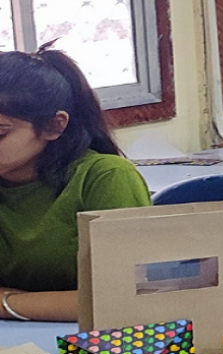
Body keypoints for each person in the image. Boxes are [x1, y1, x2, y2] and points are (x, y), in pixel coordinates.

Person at [0, 44, 151, 322]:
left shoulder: (106, 178)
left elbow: (128, 297)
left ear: (54, 126)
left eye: (0, 133)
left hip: (91, 340)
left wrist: (7, 303)